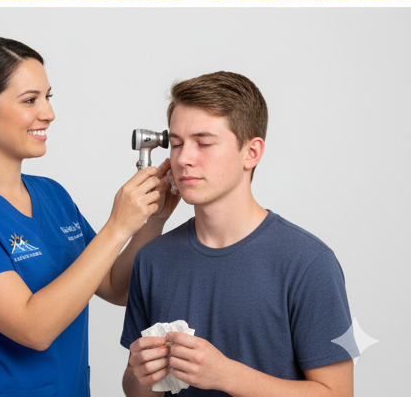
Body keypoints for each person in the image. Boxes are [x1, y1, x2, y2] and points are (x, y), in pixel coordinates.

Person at [0, 36, 181, 397]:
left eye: (47, 97)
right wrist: (117, 227)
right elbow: (33, 328)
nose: (49, 113)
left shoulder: (51, 194)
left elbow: (115, 287)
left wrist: (151, 221)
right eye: (30, 100)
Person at [121, 71, 355, 397]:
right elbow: (137, 391)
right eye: (176, 144)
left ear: (252, 152)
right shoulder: (153, 259)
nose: (183, 158)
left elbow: (338, 394)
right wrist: (140, 373)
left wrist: (226, 375)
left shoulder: (308, 263)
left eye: (203, 143)